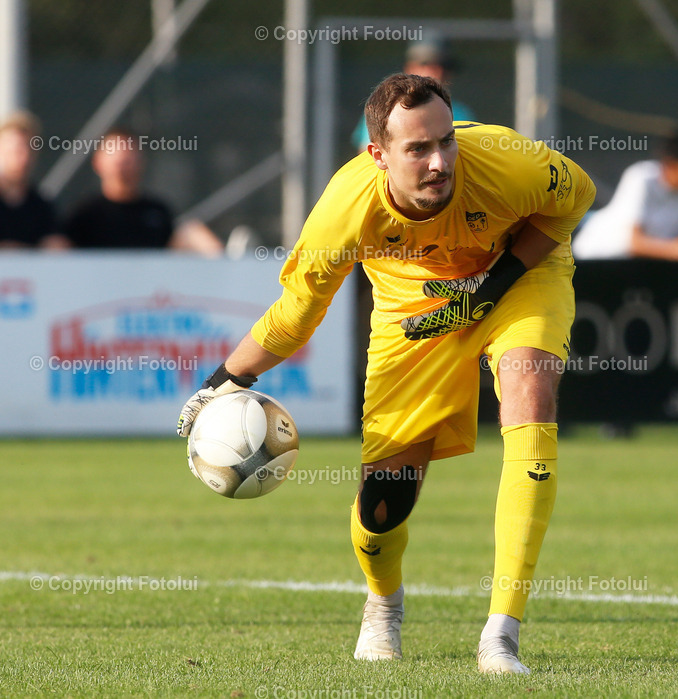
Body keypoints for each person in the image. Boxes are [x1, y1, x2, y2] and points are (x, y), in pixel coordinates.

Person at [177, 74, 595, 674]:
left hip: (521, 279)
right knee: (383, 506)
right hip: (412, 310)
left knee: (530, 390)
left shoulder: (508, 162)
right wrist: (225, 380)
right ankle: (383, 605)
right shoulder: (344, 210)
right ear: (377, 155)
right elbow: (296, 316)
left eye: (445, 142)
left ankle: (501, 634)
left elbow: (575, 199)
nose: (439, 161)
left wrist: (488, 289)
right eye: (417, 149)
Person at [63, 127, 222, 254]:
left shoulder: (157, 211)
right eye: (116, 156)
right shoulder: (84, 214)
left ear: (141, 161)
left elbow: (174, 245)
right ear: (98, 162)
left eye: (129, 156)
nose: (123, 164)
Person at [572, 130, 678, 261]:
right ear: (671, 165)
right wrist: (674, 249)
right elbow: (635, 243)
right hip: (596, 258)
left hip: (637, 266)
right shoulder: (641, 177)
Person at [351, 37, 475, 151]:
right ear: (410, 67)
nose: (438, 73)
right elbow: (367, 159)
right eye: (428, 65)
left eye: (444, 66)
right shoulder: (386, 110)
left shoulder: (461, 113)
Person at [0, 112, 66, 249]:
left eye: (29, 149)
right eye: (16, 150)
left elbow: (55, 244)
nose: (23, 158)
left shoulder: (41, 206)